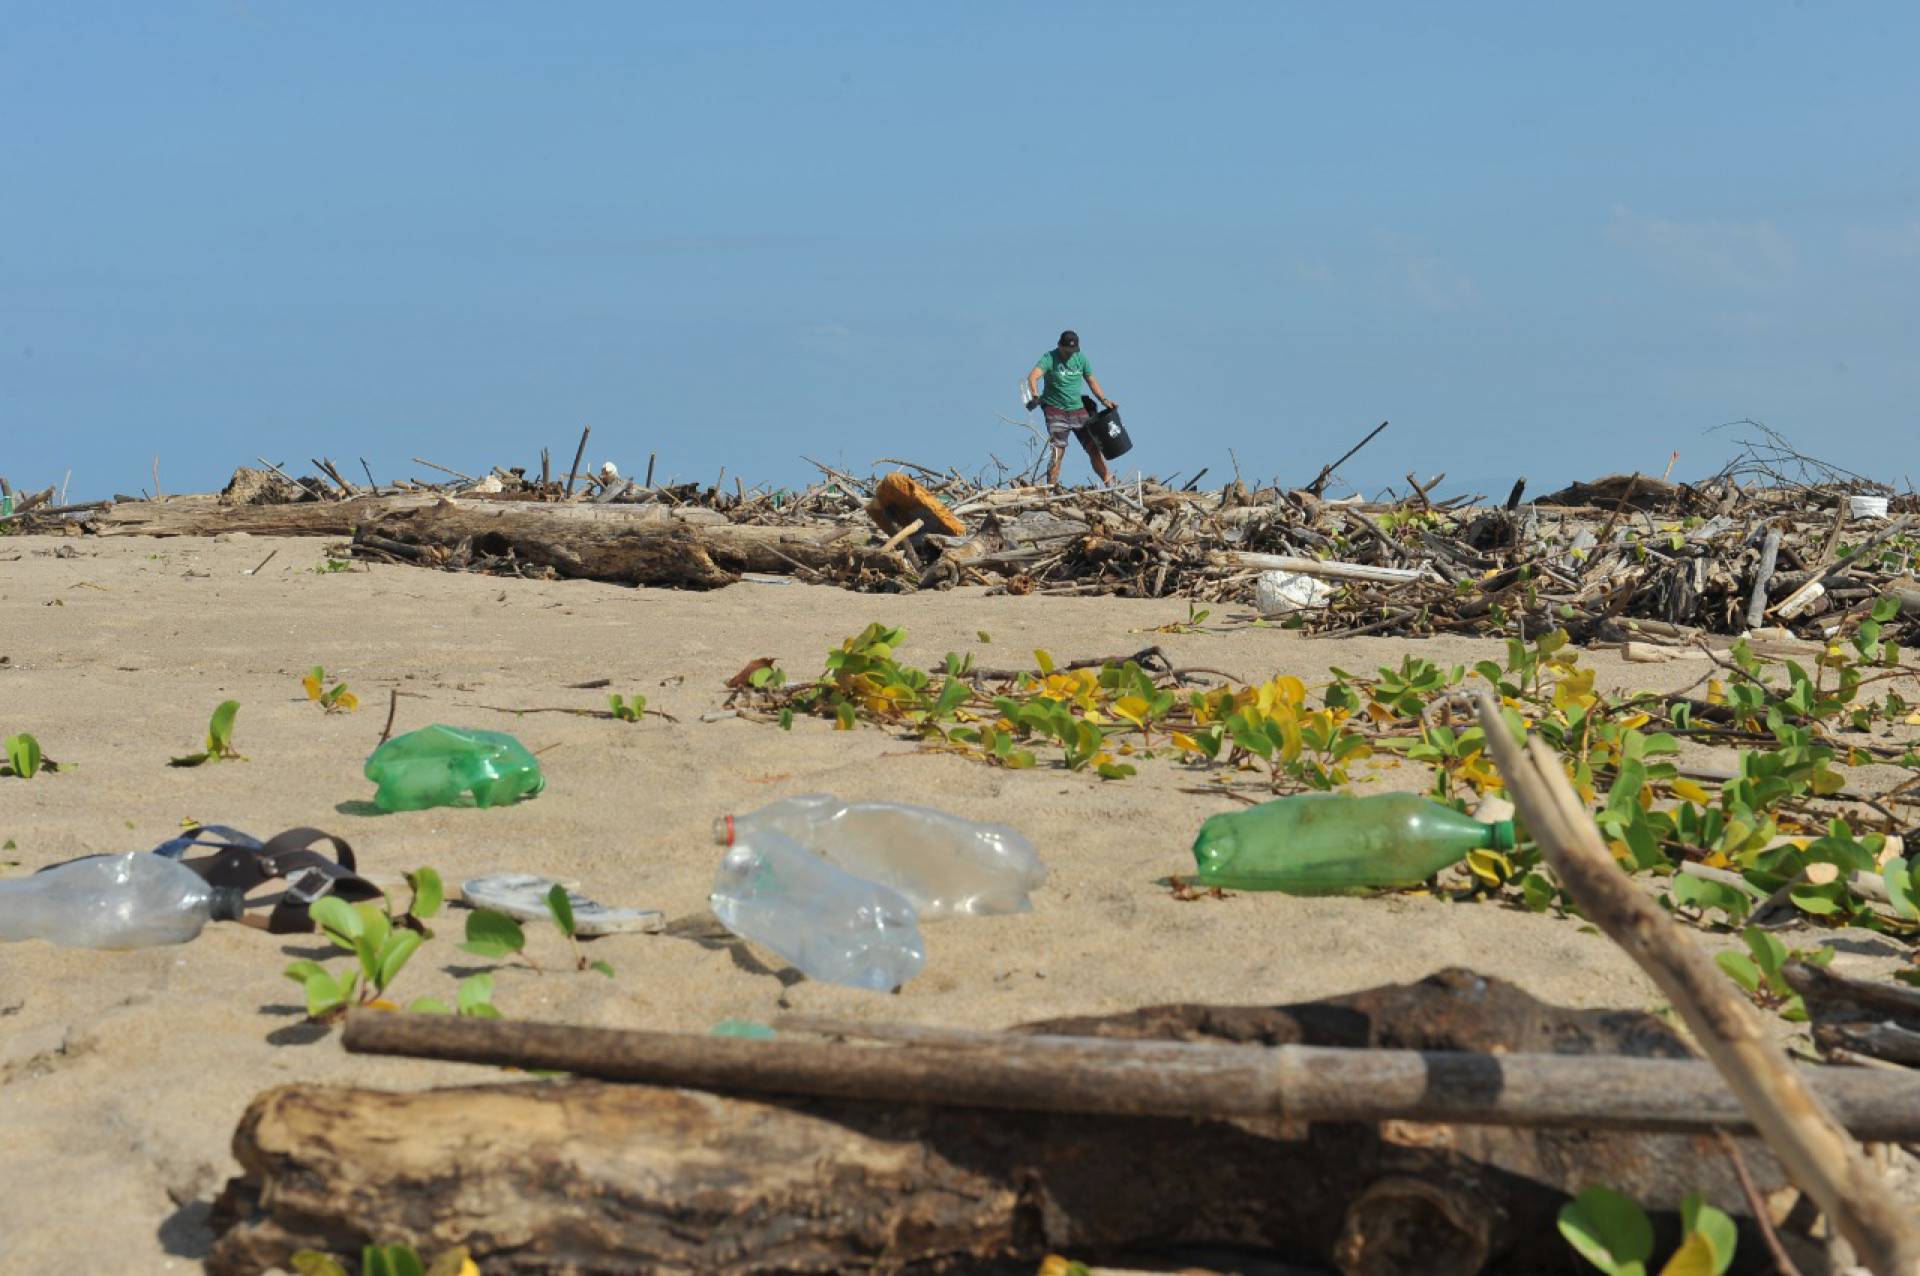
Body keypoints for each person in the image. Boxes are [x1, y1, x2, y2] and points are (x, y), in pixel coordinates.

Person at [1026, 330, 1118, 487]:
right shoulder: (1050, 358)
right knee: (1058, 450)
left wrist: (1104, 400)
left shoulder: (1081, 358)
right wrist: (1035, 395)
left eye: (1073, 351)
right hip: (1055, 410)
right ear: (1059, 345)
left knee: (1094, 447)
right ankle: (1051, 488)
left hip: (1077, 409)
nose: (1070, 354)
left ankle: (1110, 484)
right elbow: (1033, 376)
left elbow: (1091, 381)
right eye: (1067, 351)